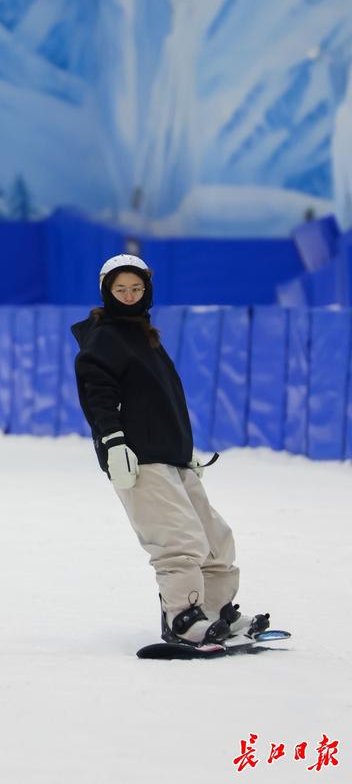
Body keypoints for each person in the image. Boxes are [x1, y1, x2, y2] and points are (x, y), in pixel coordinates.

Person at [71, 254, 269, 646]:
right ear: (106, 292)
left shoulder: (143, 335)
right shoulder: (104, 337)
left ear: (147, 290)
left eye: (136, 288)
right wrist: (113, 443)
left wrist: (184, 449)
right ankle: (182, 617)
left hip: (170, 454)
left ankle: (214, 613)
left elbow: (161, 401)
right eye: (120, 289)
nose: (128, 295)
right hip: (138, 458)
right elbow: (99, 396)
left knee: (215, 539)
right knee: (178, 540)